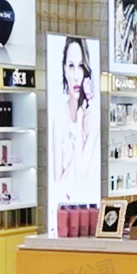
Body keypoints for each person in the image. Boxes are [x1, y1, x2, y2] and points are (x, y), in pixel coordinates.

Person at [52, 37, 100, 189]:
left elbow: (79, 177)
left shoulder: (93, 117)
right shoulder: (59, 118)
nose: (76, 76)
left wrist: (79, 123)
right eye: (71, 66)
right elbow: (58, 184)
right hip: (63, 201)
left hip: (87, 200)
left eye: (80, 66)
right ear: (64, 69)